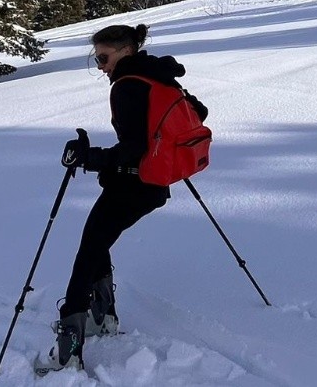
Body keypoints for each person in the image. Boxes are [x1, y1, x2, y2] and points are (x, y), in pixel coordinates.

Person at [43, 23, 207, 372]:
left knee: (90, 249)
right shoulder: (159, 76)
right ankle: (102, 317)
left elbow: (133, 147)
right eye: (96, 59)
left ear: (126, 51)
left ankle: (69, 348)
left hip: (135, 183)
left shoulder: (127, 85)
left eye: (103, 58)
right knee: (98, 239)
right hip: (154, 183)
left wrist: (89, 157)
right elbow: (199, 112)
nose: (101, 67)